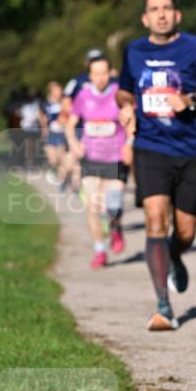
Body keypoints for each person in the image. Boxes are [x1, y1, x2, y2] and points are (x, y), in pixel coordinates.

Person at [117, 0, 196, 330]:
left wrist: (190, 99)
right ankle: (163, 305)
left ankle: (175, 253)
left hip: (190, 148)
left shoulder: (195, 48)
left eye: (167, 8)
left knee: (185, 231)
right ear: (145, 18)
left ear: (177, 15)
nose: (161, 15)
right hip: (150, 147)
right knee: (154, 219)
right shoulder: (135, 50)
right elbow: (124, 88)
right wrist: (124, 104)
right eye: (154, 10)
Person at [66, 55, 133, 268]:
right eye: (96, 74)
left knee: (113, 204)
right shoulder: (83, 96)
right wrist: (73, 143)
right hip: (91, 157)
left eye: (104, 73)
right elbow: (71, 124)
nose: (100, 78)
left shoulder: (119, 95)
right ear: (90, 75)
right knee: (93, 207)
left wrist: (129, 143)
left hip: (115, 157)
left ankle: (116, 227)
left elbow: (131, 121)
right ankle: (99, 251)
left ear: (111, 73)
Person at [40, 80, 69, 185]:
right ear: (51, 91)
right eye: (55, 90)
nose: (58, 92)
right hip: (51, 133)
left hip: (62, 133)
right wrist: (44, 128)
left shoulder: (65, 102)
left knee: (61, 157)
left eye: (59, 90)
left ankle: (61, 180)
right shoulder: (46, 104)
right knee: (53, 159)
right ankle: (56, 172)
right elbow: (43, 117)